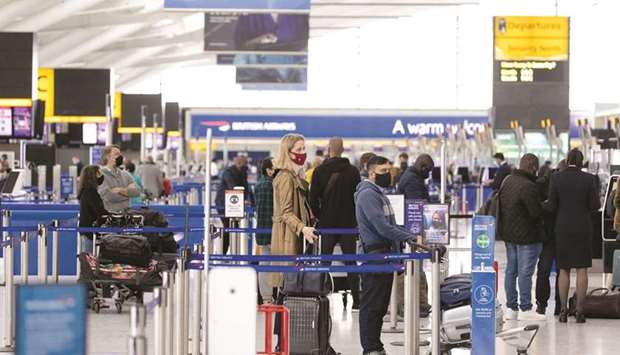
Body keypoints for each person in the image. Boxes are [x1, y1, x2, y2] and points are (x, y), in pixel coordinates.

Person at [355, 155, 418, 355]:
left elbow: (389, 225)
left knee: (380, 305)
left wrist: (408, 233)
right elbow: (381, 227)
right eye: (383, 172)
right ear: (371, 173)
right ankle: (370, 348)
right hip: (374, 255)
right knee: (372, 305)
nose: (387, 175)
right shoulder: (368, 195)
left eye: (389, 171)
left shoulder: (378, 193)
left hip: (384, 255)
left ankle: (376, 345)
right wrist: (409, 237)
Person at [544, 149, 600, 323]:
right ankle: (580, 311)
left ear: (567, 160)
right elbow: (595, 205)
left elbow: (551, 206)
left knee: (564, 269)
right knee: (582, 269)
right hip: (583, 228)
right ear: (582, 161)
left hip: (563, 228)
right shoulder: (590, 179)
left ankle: (563, 311)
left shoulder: (556, 178)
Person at [309, 137, 362, 310]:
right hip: (348, 224)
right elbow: (358, 198)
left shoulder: (319, 171)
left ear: (328, 149)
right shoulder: (353, 172)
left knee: (324, 262)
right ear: (342, 149)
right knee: (351, 263)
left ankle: (320, 296)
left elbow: (312, 199)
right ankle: (357, 300)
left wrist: (320, 215)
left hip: (328, 224)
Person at [499, 153, 546, 321]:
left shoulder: (507, 181)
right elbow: (535, 213)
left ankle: (511, 308)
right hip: (527, 237)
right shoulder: (528, 186)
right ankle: (526, 309)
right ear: (533, 167)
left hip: (509, 235)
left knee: (511, 271)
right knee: (525, 273)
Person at [270, 134, 318, 288]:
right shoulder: (285, 177)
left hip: (295, 234)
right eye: (299, 149)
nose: (302, 153)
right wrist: (302, 228)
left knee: (292, 283)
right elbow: (286, 212)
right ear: (288, 152)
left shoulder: (294, 175)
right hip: (288, 236)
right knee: (288, 283)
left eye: (304, 148)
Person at [397, 154, 435, 315]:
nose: (429, 175)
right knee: (414, 267)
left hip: (408, 229)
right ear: (423, 167)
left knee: (412, 267)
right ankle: (418, 304)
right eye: (429, 171)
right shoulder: (413, 180)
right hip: (411, 231)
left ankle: (418, 303)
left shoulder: (411, 176)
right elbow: (416, 207)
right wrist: (418, 233)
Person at [534, 160, 565, 316]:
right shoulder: (546, 183)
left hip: (549, 234)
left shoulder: (546, 182)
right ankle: (555, 304)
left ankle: (543, 304)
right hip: (555, 234)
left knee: (544, 270)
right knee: (560, 270)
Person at [215, 155, 254, 255]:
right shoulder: (228, 172)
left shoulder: (242, 172)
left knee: (233, 228)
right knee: (228, 227)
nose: (246, 167)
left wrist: (251, 201)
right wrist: (242, 200)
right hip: (223, 204)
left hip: (234, 205)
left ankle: (233, 251)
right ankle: (223, 253)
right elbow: (232, 187)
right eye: (245, 165)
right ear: (239, 163)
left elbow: (246, 187)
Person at [255, 157, 276, 302]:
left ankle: (266, 297)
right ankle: (274, 295)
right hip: (273, 230)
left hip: (261, 229)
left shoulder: (258, 185)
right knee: (278, 263)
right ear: (268, 170)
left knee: (264, 263)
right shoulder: (272, 185)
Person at [98, 145, 139, 212]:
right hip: (110, 216)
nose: (120, 157)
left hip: (127, 215)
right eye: (116, 154)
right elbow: (108, 196)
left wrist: (119, 190)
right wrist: (128, 193)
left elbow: (136, 191)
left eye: (120, 154)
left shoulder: (125, 174)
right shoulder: (100, 174)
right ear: (108, 157)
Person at [78, 165, 109, 254]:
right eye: (99, 173)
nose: (101, 176)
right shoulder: (91, 193)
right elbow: (99, 211)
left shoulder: (85, 191)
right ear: (93, 176)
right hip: (89, 233)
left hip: (86, 231)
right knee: (89, 262)